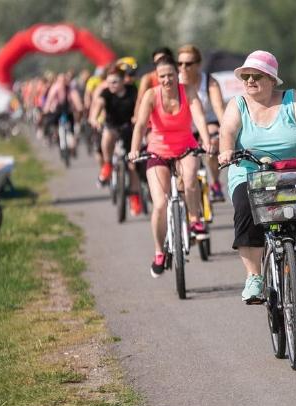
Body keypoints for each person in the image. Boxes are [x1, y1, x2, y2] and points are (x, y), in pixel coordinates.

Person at [217, 50, 296, 325]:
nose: (249, 80)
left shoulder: (291, 99)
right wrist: (226, 152)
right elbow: (227, 131)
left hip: (292, 173)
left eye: (256, 76)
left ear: (272, 79)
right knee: (245, 208)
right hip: (249, 172)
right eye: (245, 76)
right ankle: (254, 277)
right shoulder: (238, 104)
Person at [129, 56, 212, 277]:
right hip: (157, 152)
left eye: (170, 75)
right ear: (157, 77)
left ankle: (195, 220)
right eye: (162, 76)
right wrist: (135, 148)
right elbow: (139, 126)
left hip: (186, 148)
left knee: (192, 176)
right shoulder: (151, 95)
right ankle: (159, 252)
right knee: (159, 204)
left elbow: (200, 118)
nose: (167, 80)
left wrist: (206, 140)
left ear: (178, 75)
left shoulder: (188, 92)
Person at [177, 44, 227, 202]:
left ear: (198, 65)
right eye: (180, 64)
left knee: (213, 143)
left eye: (188, 64)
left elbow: (219, 109)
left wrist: (226, 132)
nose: (183, 67)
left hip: (207, 122)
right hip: (184, 127)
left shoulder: (209, 82)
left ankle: (215, 182)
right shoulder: (174, 82)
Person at [89, 65, 141, 212]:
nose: (111, 85)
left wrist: (137, 117)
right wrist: (94, 119)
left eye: (115, 82)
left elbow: (139, 105)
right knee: (107, 135)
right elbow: (98, 105)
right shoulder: (106, 93)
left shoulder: (132, 91)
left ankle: (135, 197)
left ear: (123, 81)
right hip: (112, 127)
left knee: (132, 166)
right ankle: (107, 165)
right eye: (109, 82)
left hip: (128, 128)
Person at [136, 47, 174, 114]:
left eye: (164, 61)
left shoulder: (180, 76)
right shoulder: (148, 78)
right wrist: (137, 116)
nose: (167, 80)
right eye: (157, 63)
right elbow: (140, 100)